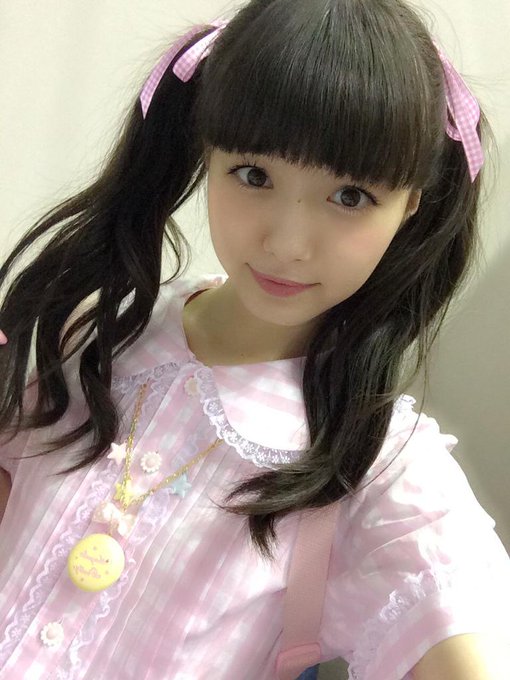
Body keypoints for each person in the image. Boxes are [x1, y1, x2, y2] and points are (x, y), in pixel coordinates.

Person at [0, 0, 509, 678]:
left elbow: (458, 622)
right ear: (207, 153)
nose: (288, 244)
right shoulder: (89, 330)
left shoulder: (376, 465)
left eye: (351, 196)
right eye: (254, 175)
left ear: (411, 204)